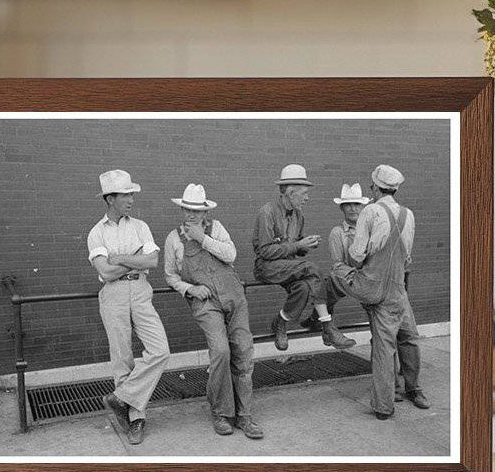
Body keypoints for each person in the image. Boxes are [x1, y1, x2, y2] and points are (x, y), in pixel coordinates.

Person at [163, 183, 263, 440]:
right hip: (205, 301)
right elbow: (170, 276)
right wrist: (189, 289)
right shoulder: (174, 238)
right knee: (221, 350)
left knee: (243, 350)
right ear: (182, 210)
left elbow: (231, 254)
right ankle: (220, 412)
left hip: (234, 297)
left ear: (206, 212)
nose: (192, 215)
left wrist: (202, 239)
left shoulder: (216, 229)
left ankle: (245, 415)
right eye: (188, 210)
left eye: (197, 210)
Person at [329, 165, 428, 420]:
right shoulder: (409, 214)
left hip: (374, 287)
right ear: (396, 188)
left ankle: (384, 406)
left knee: (384, 347)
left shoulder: (370, 212)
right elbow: (407, 256)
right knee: (410, 337)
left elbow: (357, 254)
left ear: (374, 187)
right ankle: (413, 389)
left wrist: (361, 266)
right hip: (398, 287)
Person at [87, 169, 170, 445]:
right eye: (125, 194)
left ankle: (119, 398)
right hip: (113, 295)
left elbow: (152, 262)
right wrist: (135, 258)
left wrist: (120, 258)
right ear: (110, 198)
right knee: (122, 357)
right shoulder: (96, 233)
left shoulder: (141, 226)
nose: (131, 199)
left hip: (141, 291)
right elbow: (105, 273)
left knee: (160, 350)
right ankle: (136, 419)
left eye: (131, 194)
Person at [252, 164, 356, 352]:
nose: (307, 198)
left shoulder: (299, 216)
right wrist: (298, 246)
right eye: (304, 194)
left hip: (289, 266)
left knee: (303, 288)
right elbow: (265, 251)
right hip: (266, 267)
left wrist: (305, 245)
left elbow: (295, 249)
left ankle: (280, 323)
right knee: (313, 269)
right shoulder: (267, 212)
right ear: (291, 193)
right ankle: (327, 327)